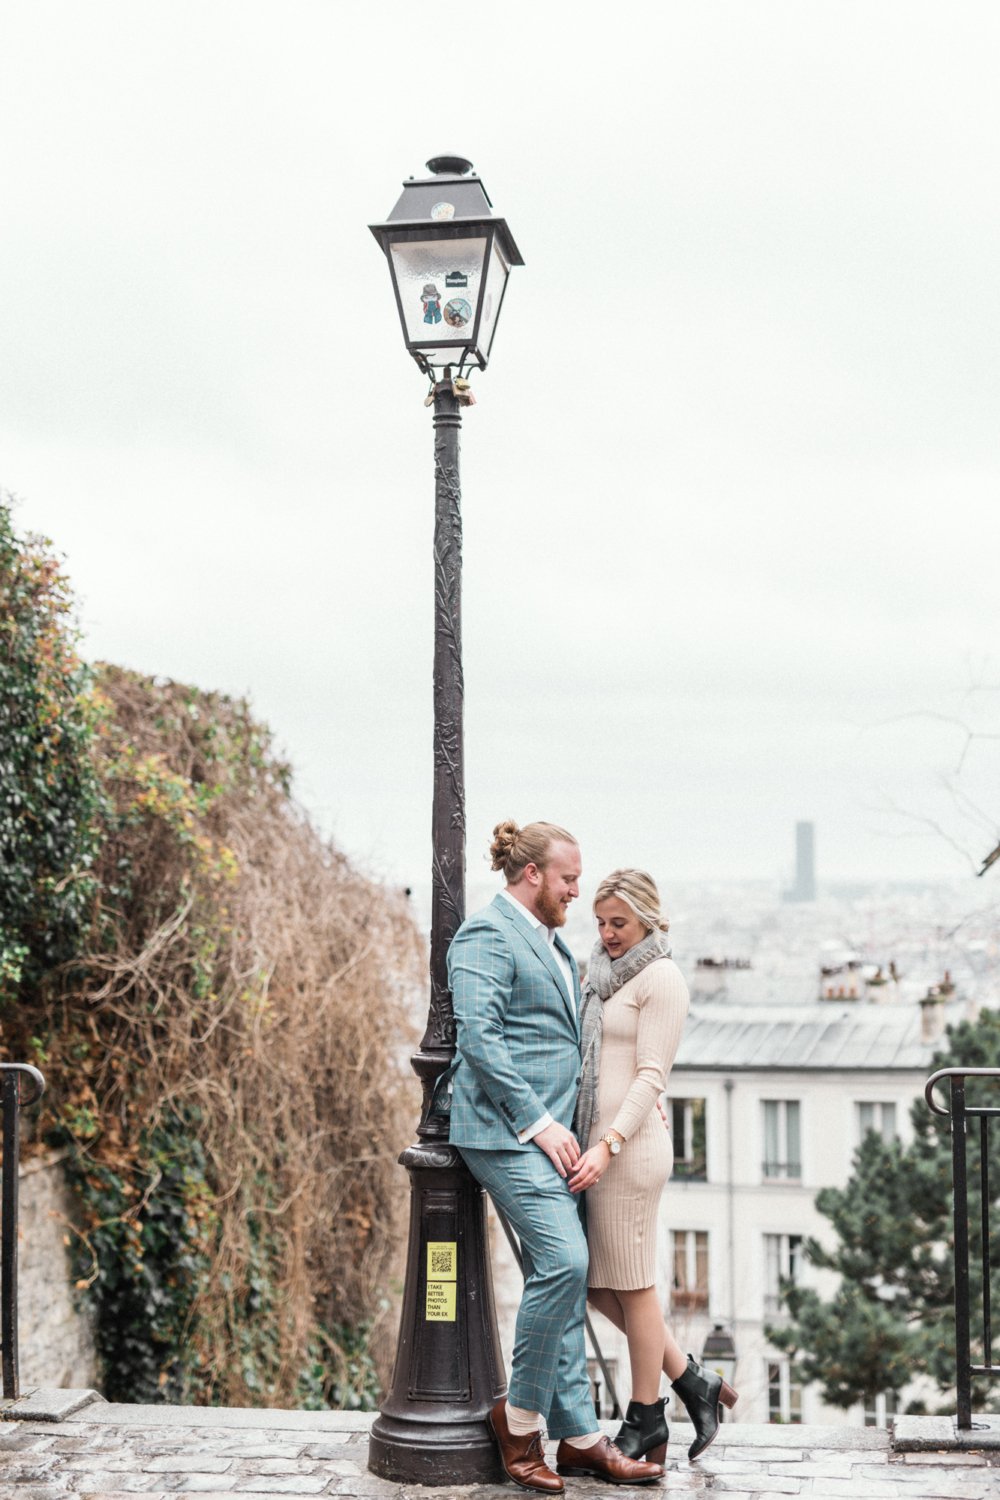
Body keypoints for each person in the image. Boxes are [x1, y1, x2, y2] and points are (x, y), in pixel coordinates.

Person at [447, 822, 664, 1493]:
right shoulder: (486, 934)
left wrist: (630, 1097)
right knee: (567, 1263)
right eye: (568, 877)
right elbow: (479, 1038)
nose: (576, 889)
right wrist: (541, 1124)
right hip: (504, 1134)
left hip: (555, 1135)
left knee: (564, 1279)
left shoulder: (553, 946)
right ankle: (518, 1422)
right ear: (531, 874)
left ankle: (578, 1439)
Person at [568, 869, 739, 1463]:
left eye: (619, 923)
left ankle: (647, 1420)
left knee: (634, 1287)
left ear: (647, 918)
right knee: (594, 1283)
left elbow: (650, 1075)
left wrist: (609, 1141)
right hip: (599, 1148)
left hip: (627, 1152)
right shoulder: (603, 976)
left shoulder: (662, 979)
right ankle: (695, 1383)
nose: (608, 933)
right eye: (601, 922)